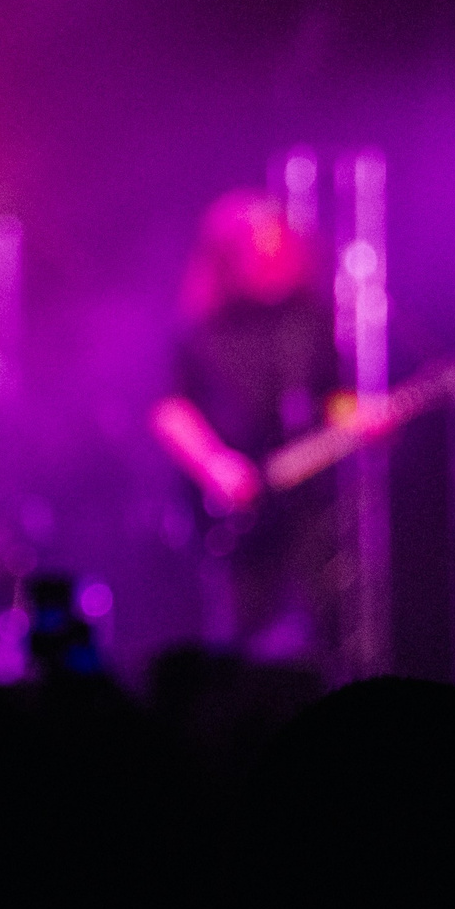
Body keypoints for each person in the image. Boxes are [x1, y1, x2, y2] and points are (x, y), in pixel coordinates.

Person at [149, 190, 346, 667]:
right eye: (260, 248)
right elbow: (171, 411)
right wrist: (215, 464)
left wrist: (359, 417)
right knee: (241, 630)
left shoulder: (311, 320)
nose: (272, 258)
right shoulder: (200, 327)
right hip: (232, 509)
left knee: (326, 623)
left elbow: (336, 396)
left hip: (305, 500)